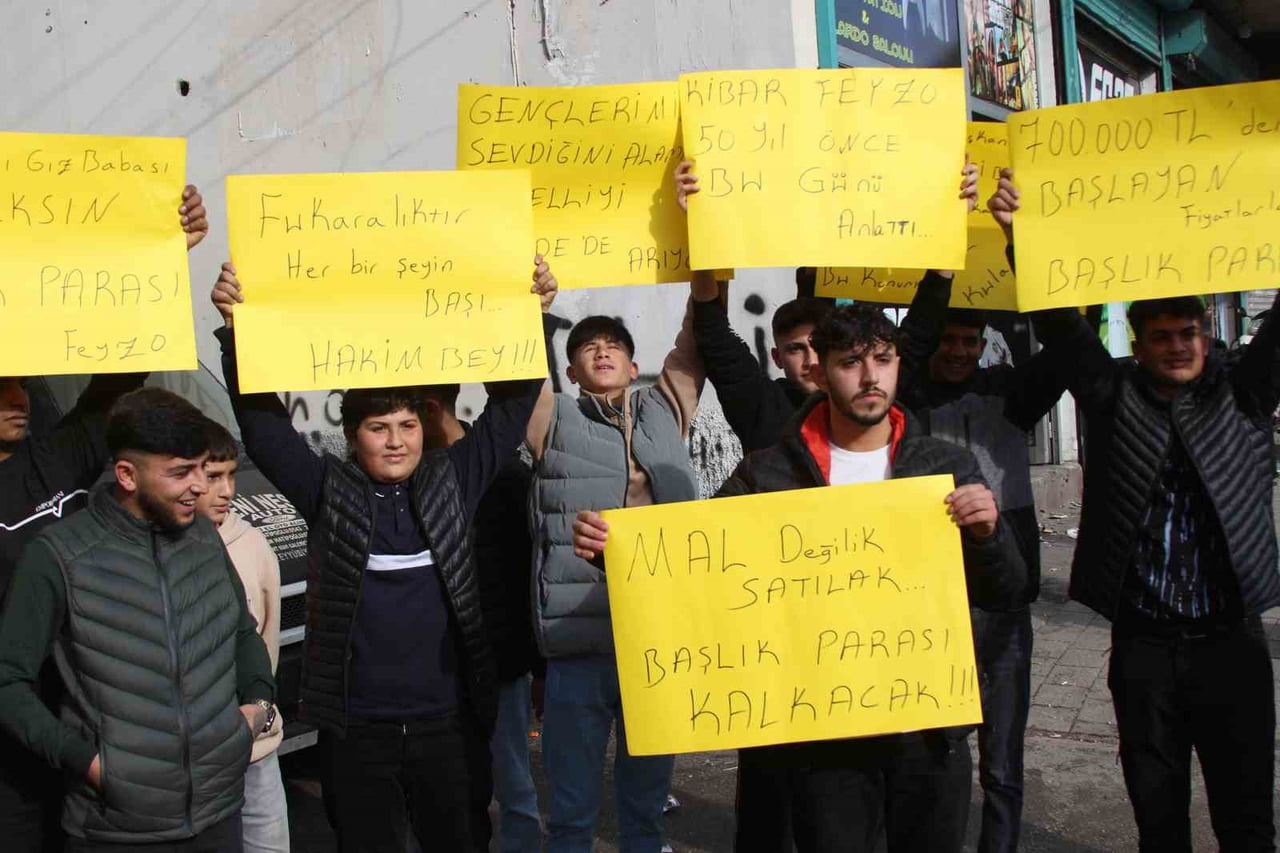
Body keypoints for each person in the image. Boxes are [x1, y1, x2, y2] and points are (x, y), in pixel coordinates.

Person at [574, 302, 1026, 853]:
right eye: (851, 362)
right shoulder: (769, 473)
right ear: (821, 370)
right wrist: (617, 554)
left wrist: (988, 535)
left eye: (882, 360)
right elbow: (700, 567)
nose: (869, 376)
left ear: (899, 366)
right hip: (822, 731)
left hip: (926, 728)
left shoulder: (941, 466)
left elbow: (1004, 590)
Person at [674, 158, 982, 853]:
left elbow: (918, 332)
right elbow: (717, 339)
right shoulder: (766, 422)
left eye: (833, 351)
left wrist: (943, 240)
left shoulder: (910, 441)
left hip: (904, 684)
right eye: (803, 351)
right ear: (783, 358)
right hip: (796, 673)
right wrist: (704, 235)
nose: (823, 363)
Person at [211, 259, 558, 853]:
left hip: (449, 727)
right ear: (353, 436)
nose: (396, 440)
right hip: (356, 732)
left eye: (406, 424)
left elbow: (510, 409)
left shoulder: (457, 478)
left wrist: (533, 316)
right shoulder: (327, 490)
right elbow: (264, 427)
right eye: (378, 427)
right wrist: (236, 331)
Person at [991, 169, 1280, 853]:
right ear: (1138, 341)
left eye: (1189, 332)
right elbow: (1063, 328)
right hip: (1144, 650)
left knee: (1248, 822)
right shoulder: (1112, 396)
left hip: (1230, 646)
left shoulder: (1241, 395)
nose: (1178, 345)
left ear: (1206, 336)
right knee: (1159, 820)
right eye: (1161, 335)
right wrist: (1018, 235)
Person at [0, 186, 209, 853]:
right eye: (1, 380)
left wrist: (162, 259)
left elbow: (115, 381)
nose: (21, 392)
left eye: (22, 376)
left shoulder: (52, 451)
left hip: (79, 715)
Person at [0, 387, 276, 852]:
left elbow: (242, 632)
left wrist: (256, 707)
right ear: (127, 474)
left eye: (201, 469)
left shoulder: (205, 540)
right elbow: (8, 680)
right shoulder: (59, 556)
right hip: (114, 830)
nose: (200, 487)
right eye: (180, 472)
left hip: (218, 816)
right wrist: (88, 763)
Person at [526, 270, 715, 853]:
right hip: (579, 643)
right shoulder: (552, 419)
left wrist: (709, 273)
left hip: (658, 640)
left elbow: (694, 342)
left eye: (613, 346)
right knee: (572, 812)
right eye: (587, 347)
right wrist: (533, 309)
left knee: (644, 809)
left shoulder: (665, 409)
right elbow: (519, 369)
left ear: (634, 368)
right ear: (572, 370)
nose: (601, 351)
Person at [894, 301, 1067, 853]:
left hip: (1002, 605)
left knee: (1003, 764)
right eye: (949, 340)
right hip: (930, 605)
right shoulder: (905, 400)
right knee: (933, 758)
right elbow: (910, 346)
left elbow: (1068, 351)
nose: (959, 351)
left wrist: (1048, 266)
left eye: (971, 341)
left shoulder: (1012, 395)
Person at [419, 383, 543, 853]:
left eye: (408, 417)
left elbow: (528, 578)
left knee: (512, 780)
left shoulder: (506, 475)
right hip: (433, 667)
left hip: (499, 662)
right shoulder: (404, 483)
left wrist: (537, 666)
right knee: (449, 786)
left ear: (430, 409)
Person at [196, 421, 289, 853]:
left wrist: (260, 712)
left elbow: (265, 634)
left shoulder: (250, 542)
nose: (226, 490)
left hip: (256, 747)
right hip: (191, 760)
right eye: (211, 476)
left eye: (231, 475)